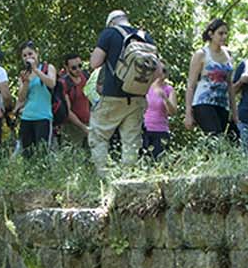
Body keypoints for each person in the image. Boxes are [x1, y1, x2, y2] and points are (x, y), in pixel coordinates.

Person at [87, 10, 154, 176]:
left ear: (111, 22)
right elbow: (158, 71)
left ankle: (104, 178)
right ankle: (128, 179)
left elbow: (94, 63)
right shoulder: (145, 37)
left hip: (112, 95)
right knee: (131, 141)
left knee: (99, 136)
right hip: (137, 98)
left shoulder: (109, 34)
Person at [184, 18, 233, 137]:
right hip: (203, 103)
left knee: (220, 142)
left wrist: (234, 113)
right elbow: (191, 85)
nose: (223, 36)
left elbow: (230, 85)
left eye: (225, 33)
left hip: (222, 104)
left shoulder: (228, 54)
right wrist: (188, 113)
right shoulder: (201, 54)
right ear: (211, 34)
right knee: (215, 138)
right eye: (220, 33)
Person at [13, 42, 57, 158]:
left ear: (37, 54)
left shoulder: (48, 68)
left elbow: (52, 83)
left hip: (43, 117)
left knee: (43, 153)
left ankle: (43, 176)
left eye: (30, 54)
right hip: (27, 117)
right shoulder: (23, 74)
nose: (28, 57)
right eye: (25, 55)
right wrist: (26, 82)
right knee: (27, 154)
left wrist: (36, 70)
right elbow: (21, 98)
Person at [141, 63, 177, 160]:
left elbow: (172, 112)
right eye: (159, 70)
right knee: (143, 161)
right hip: (144, 130)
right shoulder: (145, 87)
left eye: (164, 71)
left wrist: (165, 98)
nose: (161, 74)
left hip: (160, 131)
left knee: (158, 161)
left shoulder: (169, 89)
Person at [57, 53, 92, 148]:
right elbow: (67, 111)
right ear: (66, 68)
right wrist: (83, 127)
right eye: (73, 67)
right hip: (71, 127)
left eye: (80, 66)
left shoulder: (86, 77)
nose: (78, 70)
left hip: (89, 123)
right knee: (72, 156)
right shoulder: (63, 83)